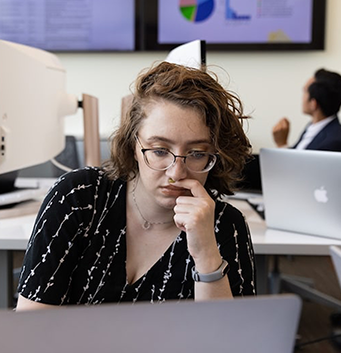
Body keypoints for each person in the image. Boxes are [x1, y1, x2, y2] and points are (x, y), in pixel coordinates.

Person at [15, 61, 256, 310]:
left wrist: (206, 252)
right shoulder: (79, 196)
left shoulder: (226, 225)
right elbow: (30, 327)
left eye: (196, 153)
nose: (176, 172)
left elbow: (228, 344)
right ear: (134, 146)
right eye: (160, 150)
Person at [272, 68, 341, 152]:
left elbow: (301, 164)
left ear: (313, 104)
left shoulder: (335, 141)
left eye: (305, 91)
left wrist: (282, 145)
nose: (302, 97)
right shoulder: (314, 127)